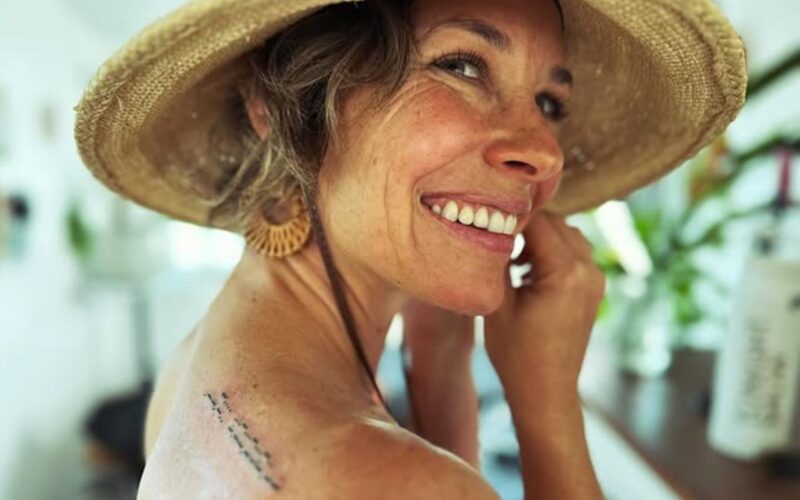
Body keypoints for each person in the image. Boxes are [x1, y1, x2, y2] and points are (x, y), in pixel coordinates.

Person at [74, 0, 746, 497]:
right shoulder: (395, 481)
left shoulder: (193, 367)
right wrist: (547, 409)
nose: (544, 152)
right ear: (280, 107)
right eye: (462, 65)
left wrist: (442, 356)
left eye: (549, 102)